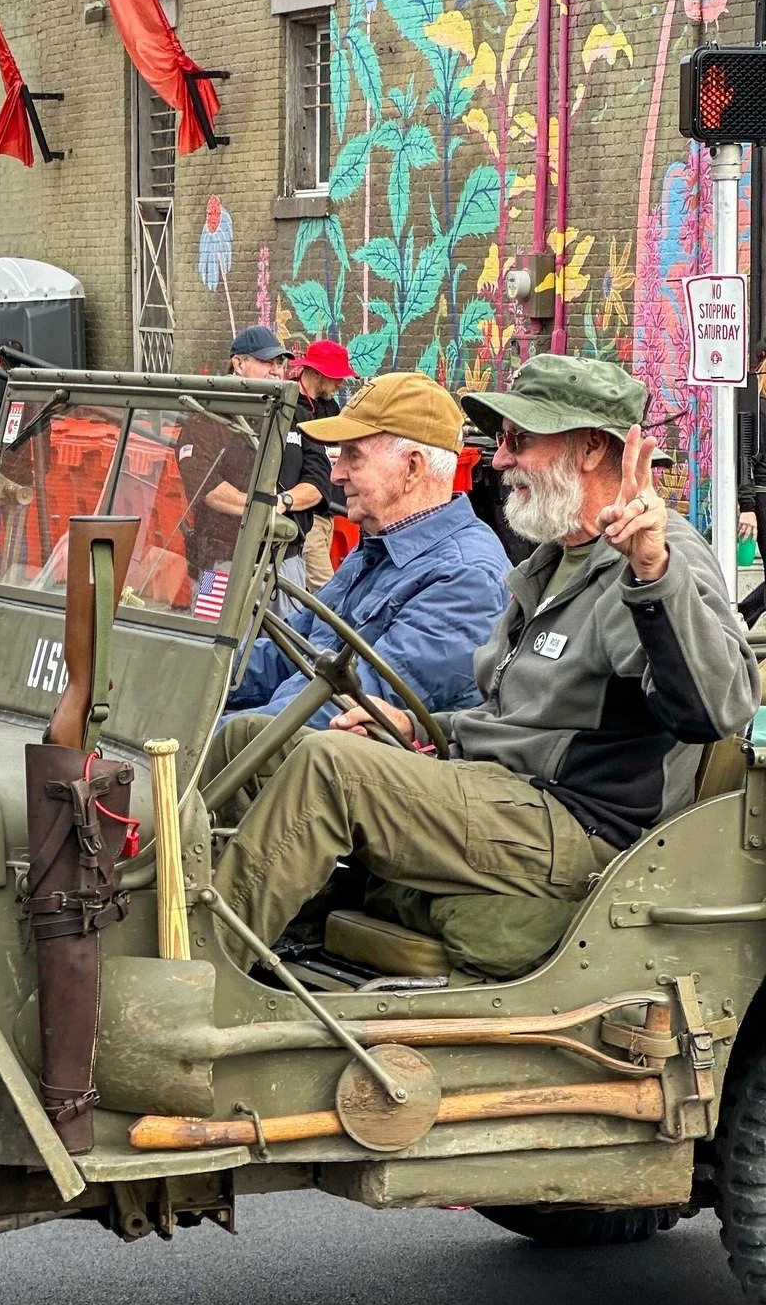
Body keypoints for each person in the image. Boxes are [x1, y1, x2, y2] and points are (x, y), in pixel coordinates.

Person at [208, 355, 758, 952]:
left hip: (575, 825)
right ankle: (251, 938)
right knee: (252, 741)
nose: (499, 460)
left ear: (593, 449)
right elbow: (506, 717)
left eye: (520, 440)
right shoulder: (547, 563)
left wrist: (653, 573)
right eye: (501, 440)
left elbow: (716, 711)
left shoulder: (655, 556)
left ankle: (206, 971)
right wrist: (413, 725)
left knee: (331, 770)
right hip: (500, 790)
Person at [219, 371, 510, 726]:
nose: (336, 474)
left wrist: (206, 739)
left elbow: (343, 706)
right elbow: (286, 651)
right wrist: (188, 674)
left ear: (412, 468)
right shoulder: (379, 547)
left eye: (352, 456)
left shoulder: (465, 579)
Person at [177, 325, 287, 582]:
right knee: (207, 618)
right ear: (238, 363)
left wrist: (288, 502)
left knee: (285, 622)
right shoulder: (206, 419)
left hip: (274, 557)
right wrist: (269, 507)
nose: (276, 370)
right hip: (216, 559)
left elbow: (313, 475)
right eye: (265, 361)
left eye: (279, 362)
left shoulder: (281, 417)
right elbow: (207, 489)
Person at [287, 339, 354, 589]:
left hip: (326, 510)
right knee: (324, 591)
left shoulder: (329, 406)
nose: (341, 382)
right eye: (335, 376)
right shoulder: (288, 406)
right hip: (307, 515)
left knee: (302, 593)